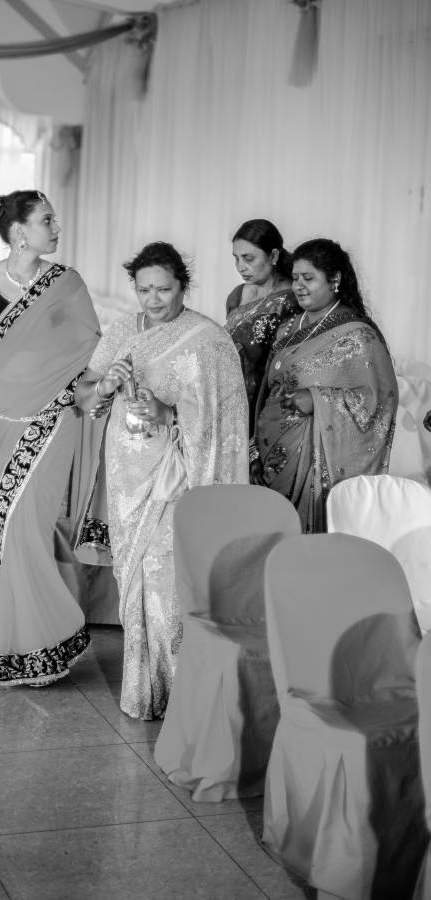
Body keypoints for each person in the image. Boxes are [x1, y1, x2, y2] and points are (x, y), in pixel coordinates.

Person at [75, 242, 249, 720]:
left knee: (166, 582)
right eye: (144, 289)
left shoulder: (208, 341)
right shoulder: (120, 330)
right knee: (132, 578)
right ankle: (144, 689)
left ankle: (182, 696)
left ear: (183, 286)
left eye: (164, 290)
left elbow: (227, 418)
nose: (153, 300)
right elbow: (83, 397)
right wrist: (106, 385)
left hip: (179, 477)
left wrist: (168, 412)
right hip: (127, 476)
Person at [0, 189, 101, 686]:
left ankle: (31, 647)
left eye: (55, 219)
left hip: (52, 420)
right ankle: (51, 634)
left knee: (26, 530)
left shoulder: (65, 283)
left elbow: (87, 352)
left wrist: (94, 390)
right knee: (11, 534)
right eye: (46, 220)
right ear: (19, 232)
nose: (56, 228)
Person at [253, 238, 398, 532]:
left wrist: (317, 399)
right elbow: (266, 390)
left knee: (307, 543)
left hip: (312, 462)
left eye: (308, 278)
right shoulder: (287, 328)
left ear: (334, 280)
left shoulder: (358, 335)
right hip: (272, 452)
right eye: (295, 278)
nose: (298, 286)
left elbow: (379, 401)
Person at [225, 220, 298, 477]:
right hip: (232, 394)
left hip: (265, 397)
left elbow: (288, 359)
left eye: (248, 258)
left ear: (274, 256)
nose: (240, 267)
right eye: (236, 258)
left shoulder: (291, 299)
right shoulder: (238, 295)